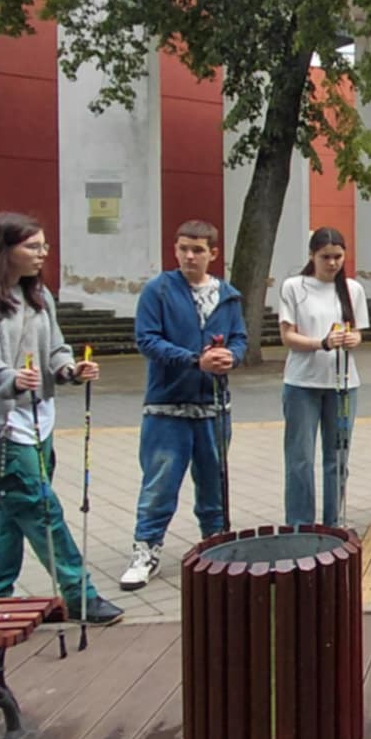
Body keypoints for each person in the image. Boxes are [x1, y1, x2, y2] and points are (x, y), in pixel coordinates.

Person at [0, 213, 118, 623]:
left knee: (11, 515)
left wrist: (69, 369)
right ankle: (81, 595)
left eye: (44, 245)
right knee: (42, 511)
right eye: (32, 246)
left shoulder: (37, 293)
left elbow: (55, 347)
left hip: (40, 419)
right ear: (2, 249)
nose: (42, 253)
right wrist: (9, 378)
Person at [120, 220, 249, 589]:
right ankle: (145, 550)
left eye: (197, 250)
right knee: (160, 483)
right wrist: (195, 359)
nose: (189, 256)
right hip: (167, 406)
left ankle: (217, 545)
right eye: (183, 249)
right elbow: (147, 340)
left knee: (214, 482)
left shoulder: (229, 295)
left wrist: (231, 357)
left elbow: (239, 338)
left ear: (213, 253)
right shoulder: (157, 291)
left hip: (214, 407)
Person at [278, 226, 369, 528]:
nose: (332, 263)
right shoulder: (294, 286)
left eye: (338, 256)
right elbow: (288, 336)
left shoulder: (352, 289)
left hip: (343, 383)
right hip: (302, 383)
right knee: (300, 458)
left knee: (338, 456)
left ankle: (335, 521)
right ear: (312, 256)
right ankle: (300, 523)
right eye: (325, 257)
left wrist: (352, 339)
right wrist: (322, 343)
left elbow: (356, 331)